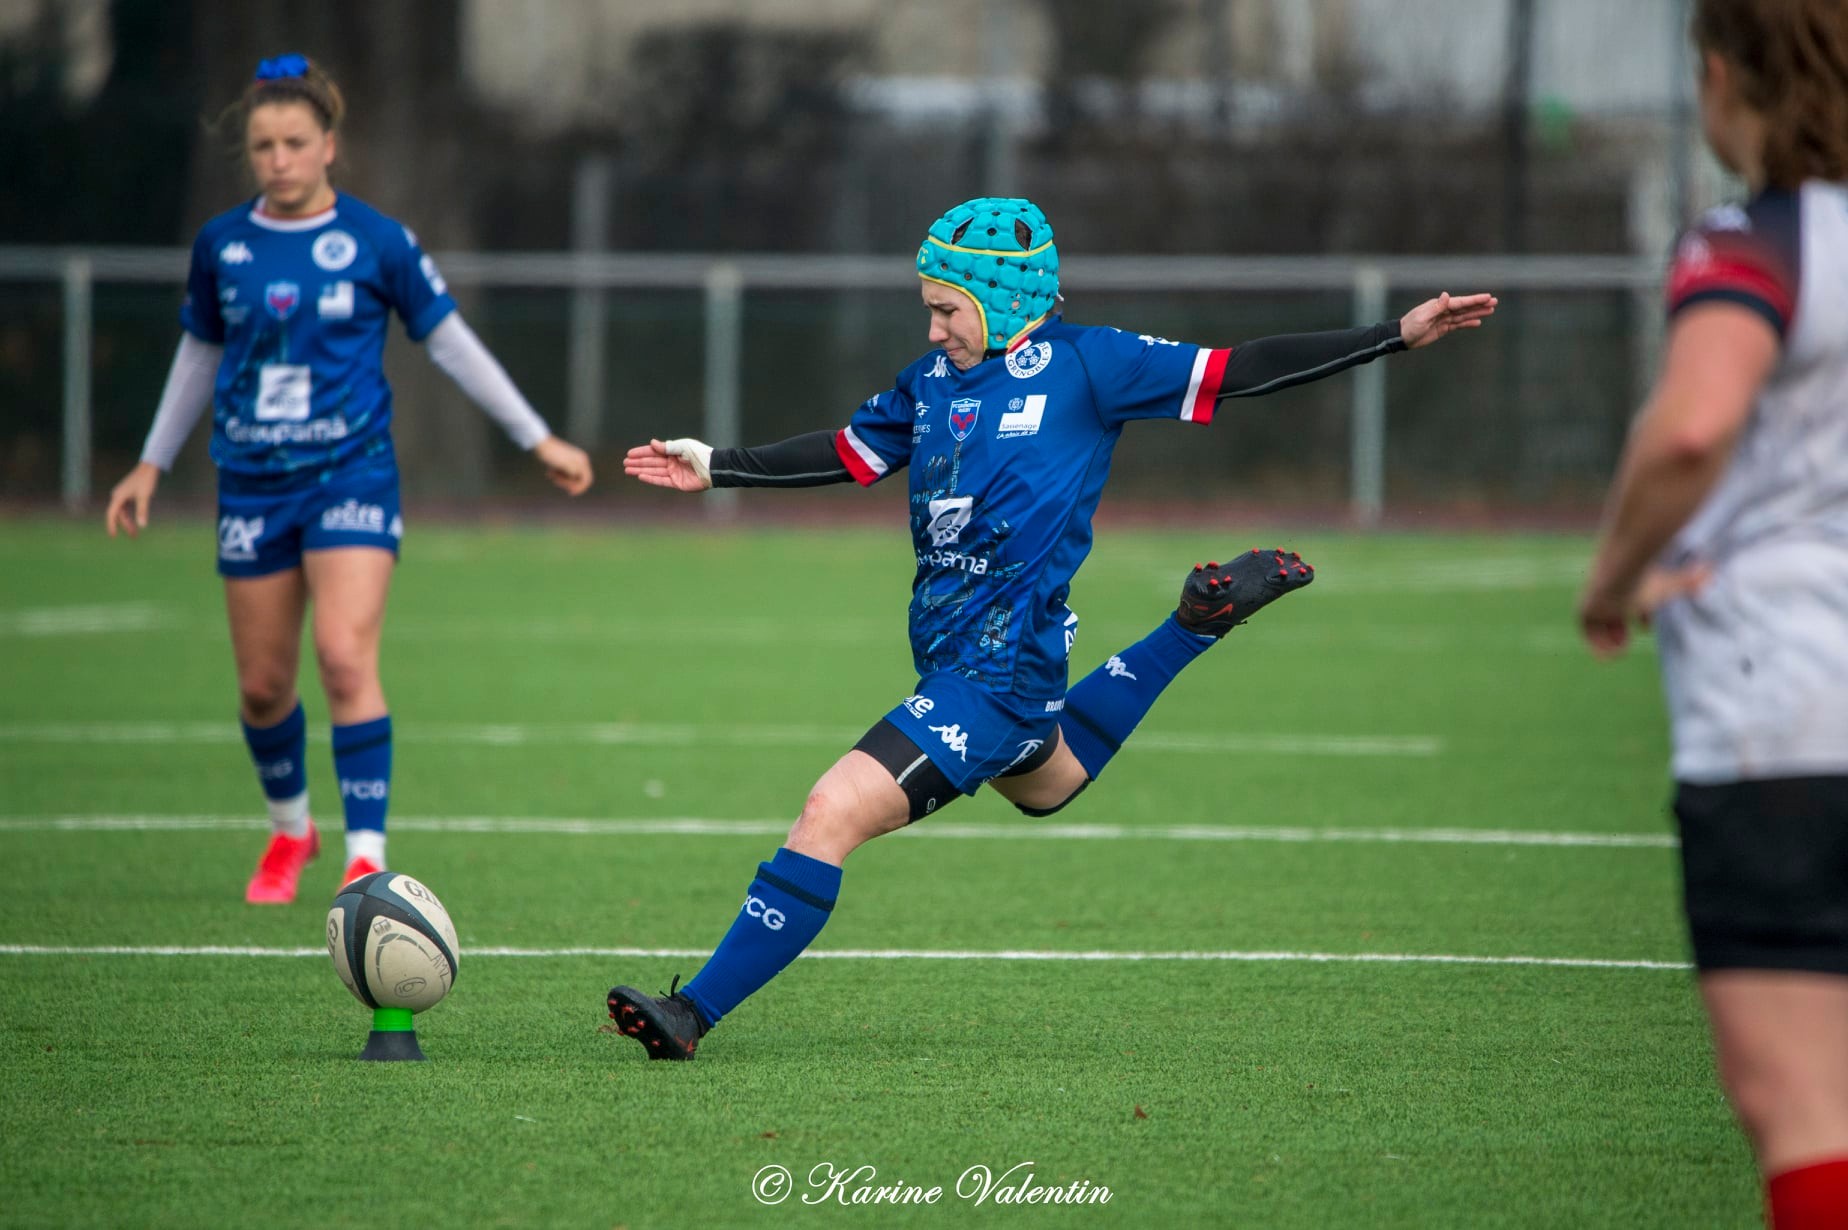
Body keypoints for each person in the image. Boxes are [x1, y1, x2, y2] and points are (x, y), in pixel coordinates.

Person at [607, 195, 1494, 1059]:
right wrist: (717, 465)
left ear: (1005, 301)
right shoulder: (930, 384)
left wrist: (1393, 334)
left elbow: (1240, 369)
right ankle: (1193, 627)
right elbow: (846, 453)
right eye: (930, 310)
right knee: (1047, 780)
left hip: (995, 673)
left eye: (948, 310)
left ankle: (692, 1013)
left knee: (829, 810)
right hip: (968, 665)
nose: (933, 330)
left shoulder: (1089, 365)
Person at [103, 54, 594, 904]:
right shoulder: (223, 244)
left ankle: (365, 851)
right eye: (263, 146)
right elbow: (200, 350)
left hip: (352, 475)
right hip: (252, 482)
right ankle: (290, 829)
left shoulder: (377, 240)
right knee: (262, 687)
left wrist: (534, 436)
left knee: (341, 654)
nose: (279, 159)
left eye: (295, 141)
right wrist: (153, 460)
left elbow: (448, 339)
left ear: (330, 144)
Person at [1579, 2, 1848, 1225]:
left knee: (1803, 1116)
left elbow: (1691, 426)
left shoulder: (1754, 243)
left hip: (1790, 710)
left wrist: (1614, 577)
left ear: (1730, 76)